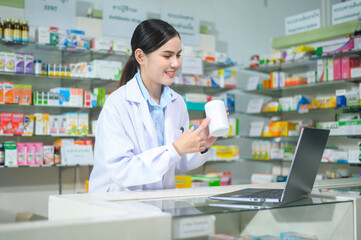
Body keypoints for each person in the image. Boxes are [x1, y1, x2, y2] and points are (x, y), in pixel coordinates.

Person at [89, 19, 217, 193]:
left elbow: (178, 163)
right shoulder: (117, 104)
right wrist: (176, 148)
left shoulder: (177, 102)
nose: (176, 63)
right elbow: (122, 171)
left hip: (160, 204)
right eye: (167, 56)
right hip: (120, 207)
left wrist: (201, 145)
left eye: (178, 55)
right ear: (141, 56)